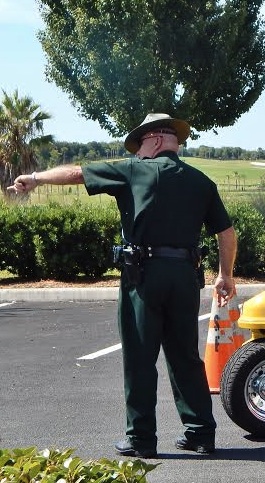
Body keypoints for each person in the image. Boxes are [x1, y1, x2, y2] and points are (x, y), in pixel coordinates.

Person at [8, 113, 237, 457]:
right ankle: (200, 434)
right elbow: (226, 232)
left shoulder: (133, 170)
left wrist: (36, 178)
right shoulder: (201, 181)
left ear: (156, 139)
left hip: (143, 277)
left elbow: (78, 172)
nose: (138, 152)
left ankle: (141, 439)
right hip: (185, 277)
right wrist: (225, 275)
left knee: (140, 356)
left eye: (140, 145)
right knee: (186, 357)